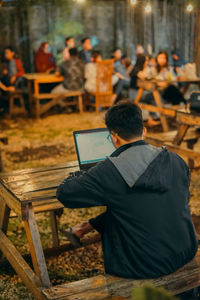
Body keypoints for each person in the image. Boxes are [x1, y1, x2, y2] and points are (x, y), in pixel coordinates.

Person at [57, 100, 197, 279]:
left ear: (114, 137)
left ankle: (82, 228)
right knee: (130, 204)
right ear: (144, 131)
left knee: (121, 208)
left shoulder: (110, 170)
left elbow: (64, 193)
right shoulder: (176, 160)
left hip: (145, 265)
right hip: (185, 250)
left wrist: (77, 175)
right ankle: (83, 227)